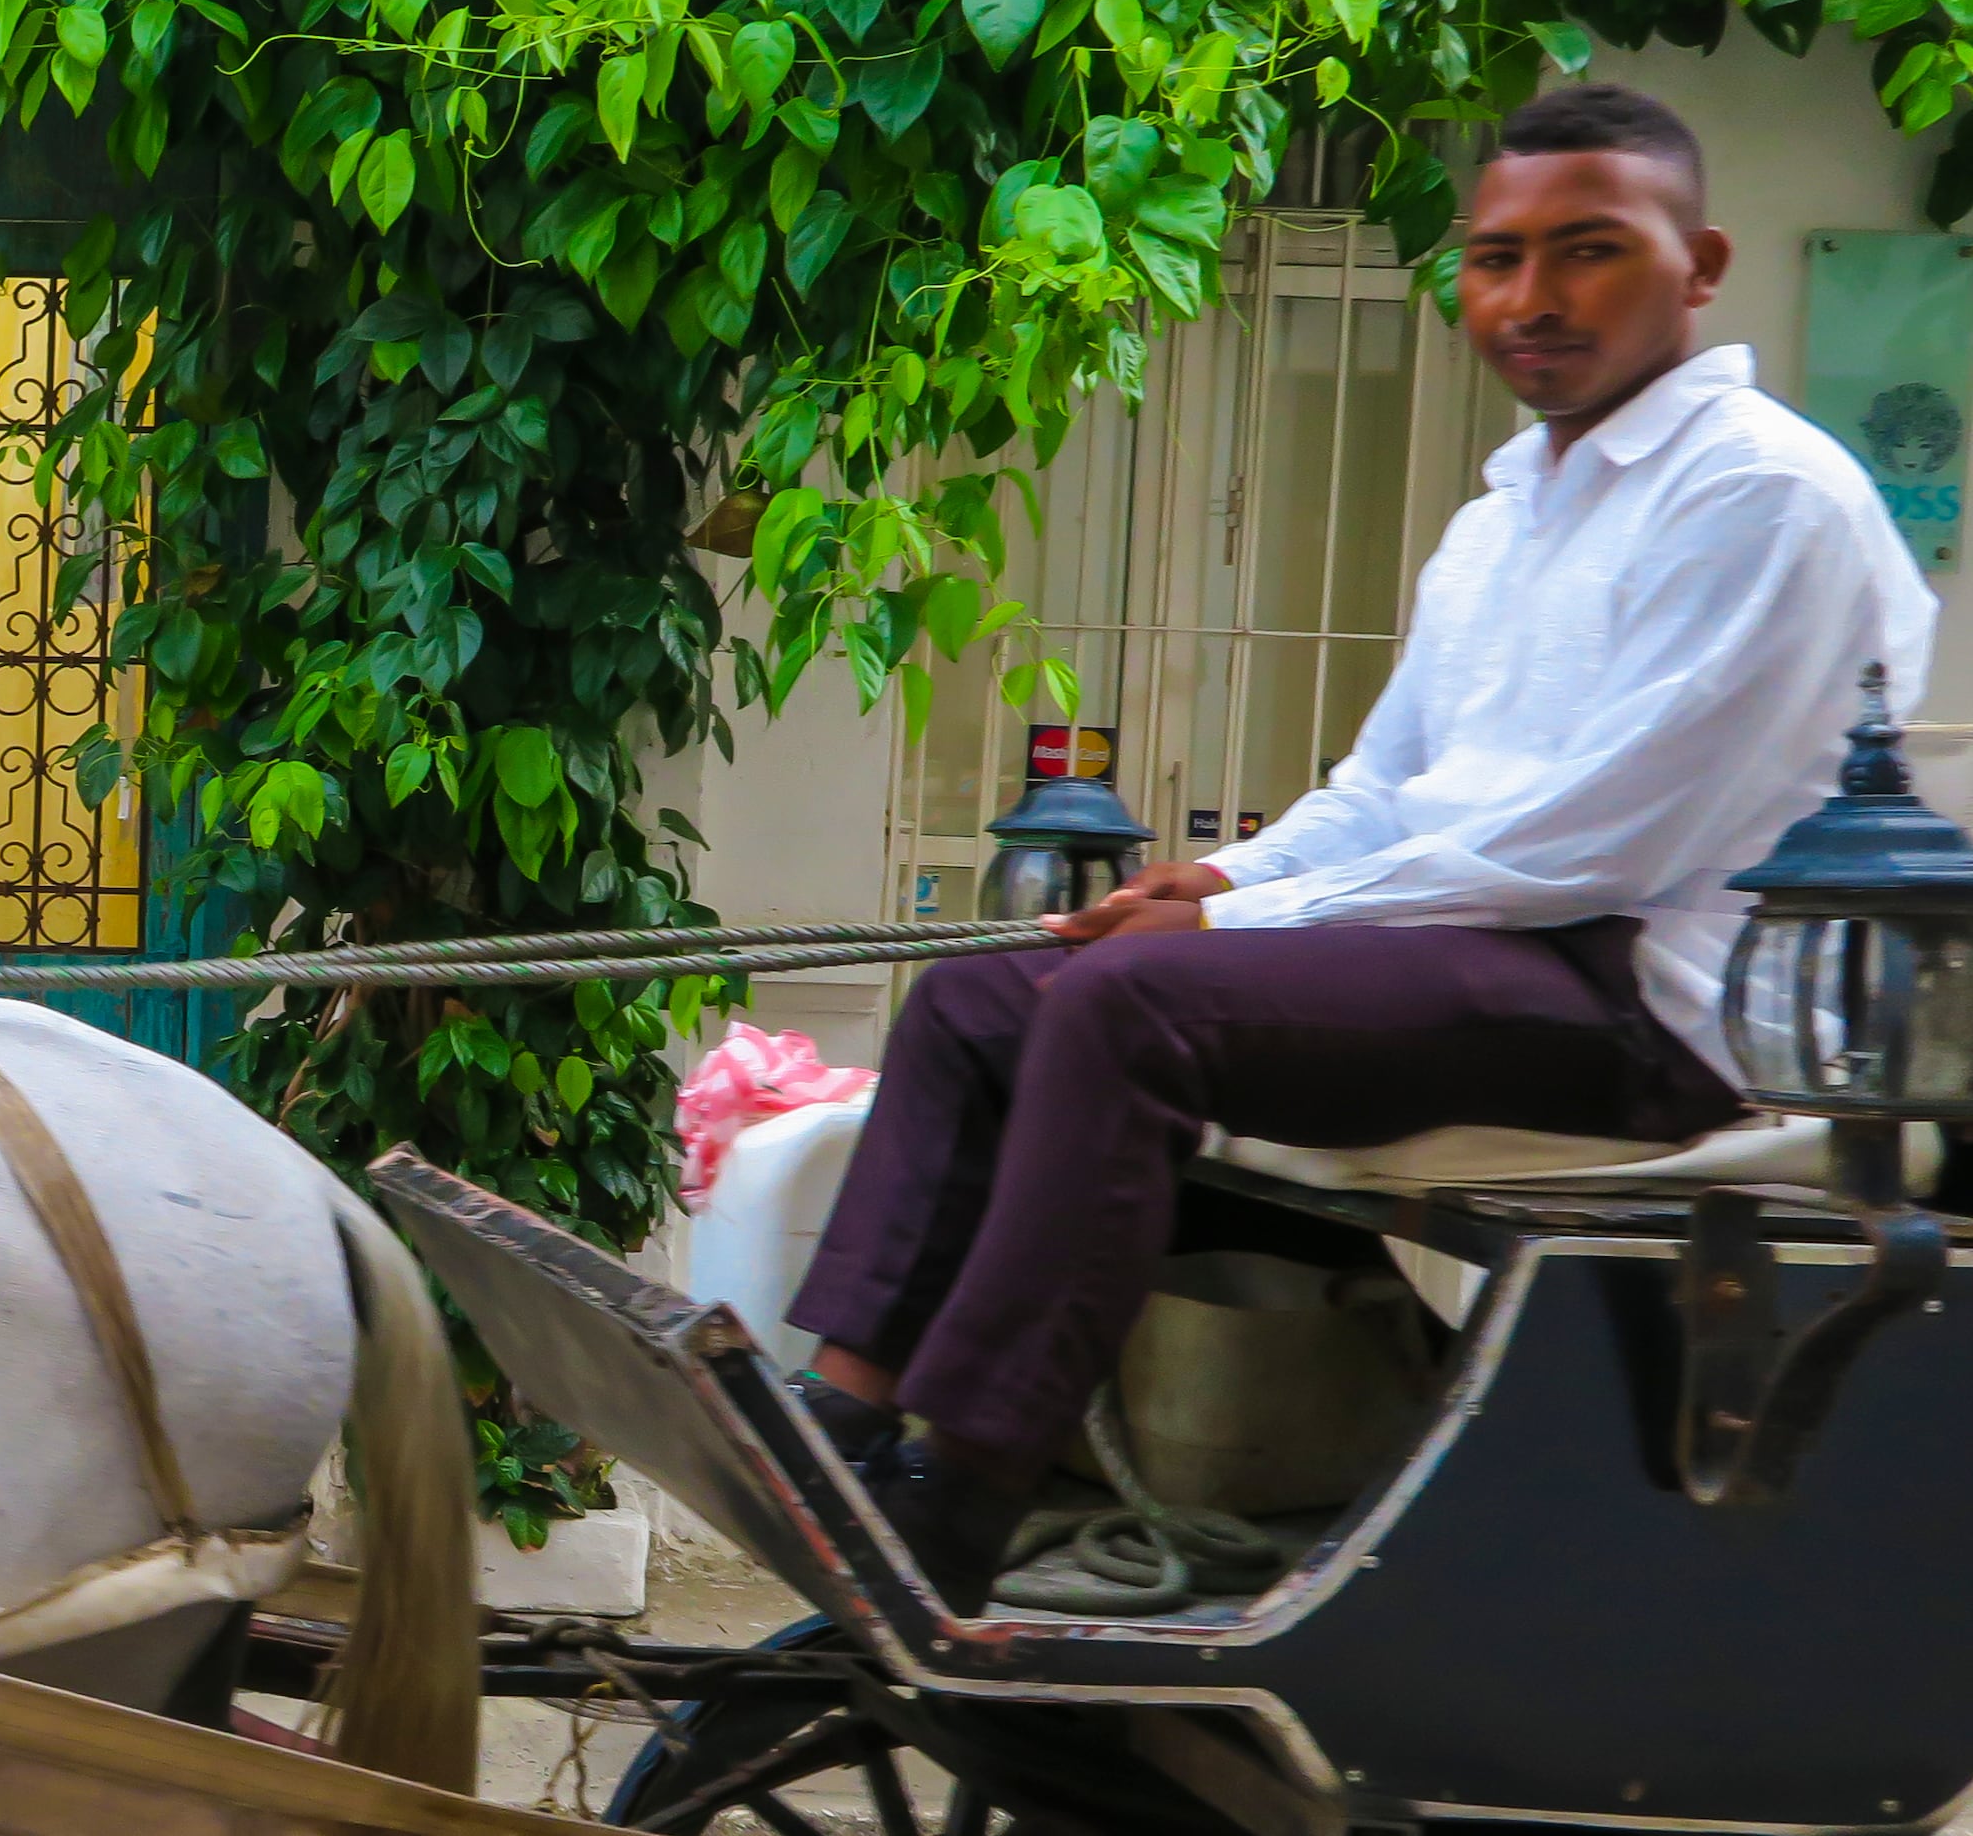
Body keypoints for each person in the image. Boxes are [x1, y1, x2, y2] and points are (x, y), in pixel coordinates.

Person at [790, 81, 1938, 1611]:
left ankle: (960, 1490)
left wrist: (1239, 934)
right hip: (1493, 950)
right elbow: (1392, 784)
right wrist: (1232, 877)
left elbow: (1594, 842)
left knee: (1131, 1011)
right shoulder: (1505, 514)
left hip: (1657, 1007)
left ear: (1701, 262)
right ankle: (840, 1426)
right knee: (981, 999)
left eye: (1587, 252)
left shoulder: (1762, 495)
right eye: (1495, 258)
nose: (1530, 299)